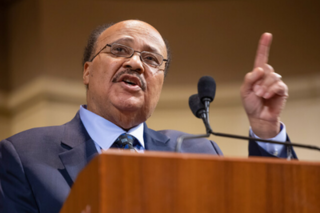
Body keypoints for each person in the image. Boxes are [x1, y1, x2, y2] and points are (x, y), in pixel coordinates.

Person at [0, 20, 296, 213]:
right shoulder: (23, 155)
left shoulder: (197, 152)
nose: (135, 63)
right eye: (119, 50)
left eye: (152, 59)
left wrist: (266, 130)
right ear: (87, 71)